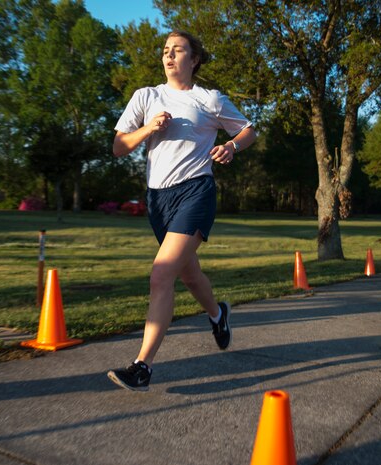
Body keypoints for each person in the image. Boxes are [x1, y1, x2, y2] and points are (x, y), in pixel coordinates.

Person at [107, 31, 257, 391]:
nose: (169, 55)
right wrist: (148, 129)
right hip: (158, 200)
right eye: (165, 51)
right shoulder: (146, 96)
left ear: (195, 59)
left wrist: (232, 147)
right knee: (189, 276)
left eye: (178, 50)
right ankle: (218, 315)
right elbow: (118, 147)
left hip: (195, 192)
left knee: (161, 275)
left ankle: (142, 366)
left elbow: (249, 130)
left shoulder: (210, 99)